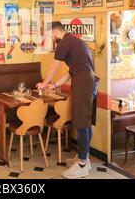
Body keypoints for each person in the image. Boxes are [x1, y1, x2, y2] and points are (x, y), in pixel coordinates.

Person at [37, 22, 98, 179]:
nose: (49, 39)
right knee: (85, 121)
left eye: (49, 36)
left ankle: (82, 164)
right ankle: (83, 157)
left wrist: (44, 84)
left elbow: (53, 68)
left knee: (81, 123)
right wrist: (54, 85)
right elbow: (71, 72)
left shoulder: (64, 43)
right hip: (88, 81)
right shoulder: (76, 42)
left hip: (84, 83)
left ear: (55, 32)